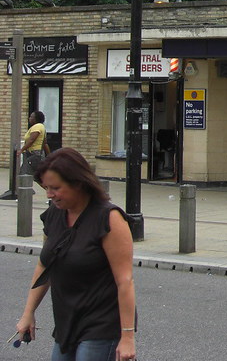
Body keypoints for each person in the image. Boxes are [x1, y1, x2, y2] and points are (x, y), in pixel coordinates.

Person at [15, 147, 138, 361]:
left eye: (55, 188)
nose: (49, 194)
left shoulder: (109, 219)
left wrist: (127, 337)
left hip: (101, 325)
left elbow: (125, 281)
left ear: (79, 183)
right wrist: (28, 312)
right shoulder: (55, 213)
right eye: (46, 187)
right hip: (67, 322)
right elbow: (45, 265)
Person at [15, 111, 47, 176]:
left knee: (24, 173)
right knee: (36, 175)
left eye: (31, 117)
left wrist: (21, 150)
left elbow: (31, 140)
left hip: (34, 154)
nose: (29, 118)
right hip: (36, 154)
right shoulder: (42, 127)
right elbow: (45, 143)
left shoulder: (37, 127)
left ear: (36, 119)